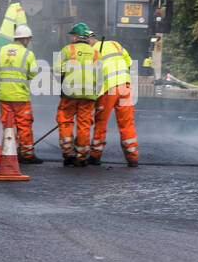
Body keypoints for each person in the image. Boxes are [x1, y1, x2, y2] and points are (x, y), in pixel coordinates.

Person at [54, 22, 99, 166]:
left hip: (69, 93)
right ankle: (81, 156)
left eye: (72, 35)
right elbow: (101, 75)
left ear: (75, 36)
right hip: (88, 95)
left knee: (65, 121)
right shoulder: (96, 53)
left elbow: (56, 70)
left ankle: (68, 153)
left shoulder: (67, 50)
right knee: (84, 124)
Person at [90, 35, 139, 166]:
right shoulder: (115, 44)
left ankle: (95, 156)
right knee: (127, 122)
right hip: (125, 86)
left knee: (101, 122)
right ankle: (133, 158)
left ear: (89, 42)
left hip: (109, 89)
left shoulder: (92, 51)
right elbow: (129, 62)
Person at [0, 24, 42, 163]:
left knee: (8, 125)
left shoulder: (0, 51)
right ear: (26, 39)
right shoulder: (28, 54)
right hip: (20, 96)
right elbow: (33, 73)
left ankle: (11, 152)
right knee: (24, 125)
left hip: (4, 95)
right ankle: (27, 154)